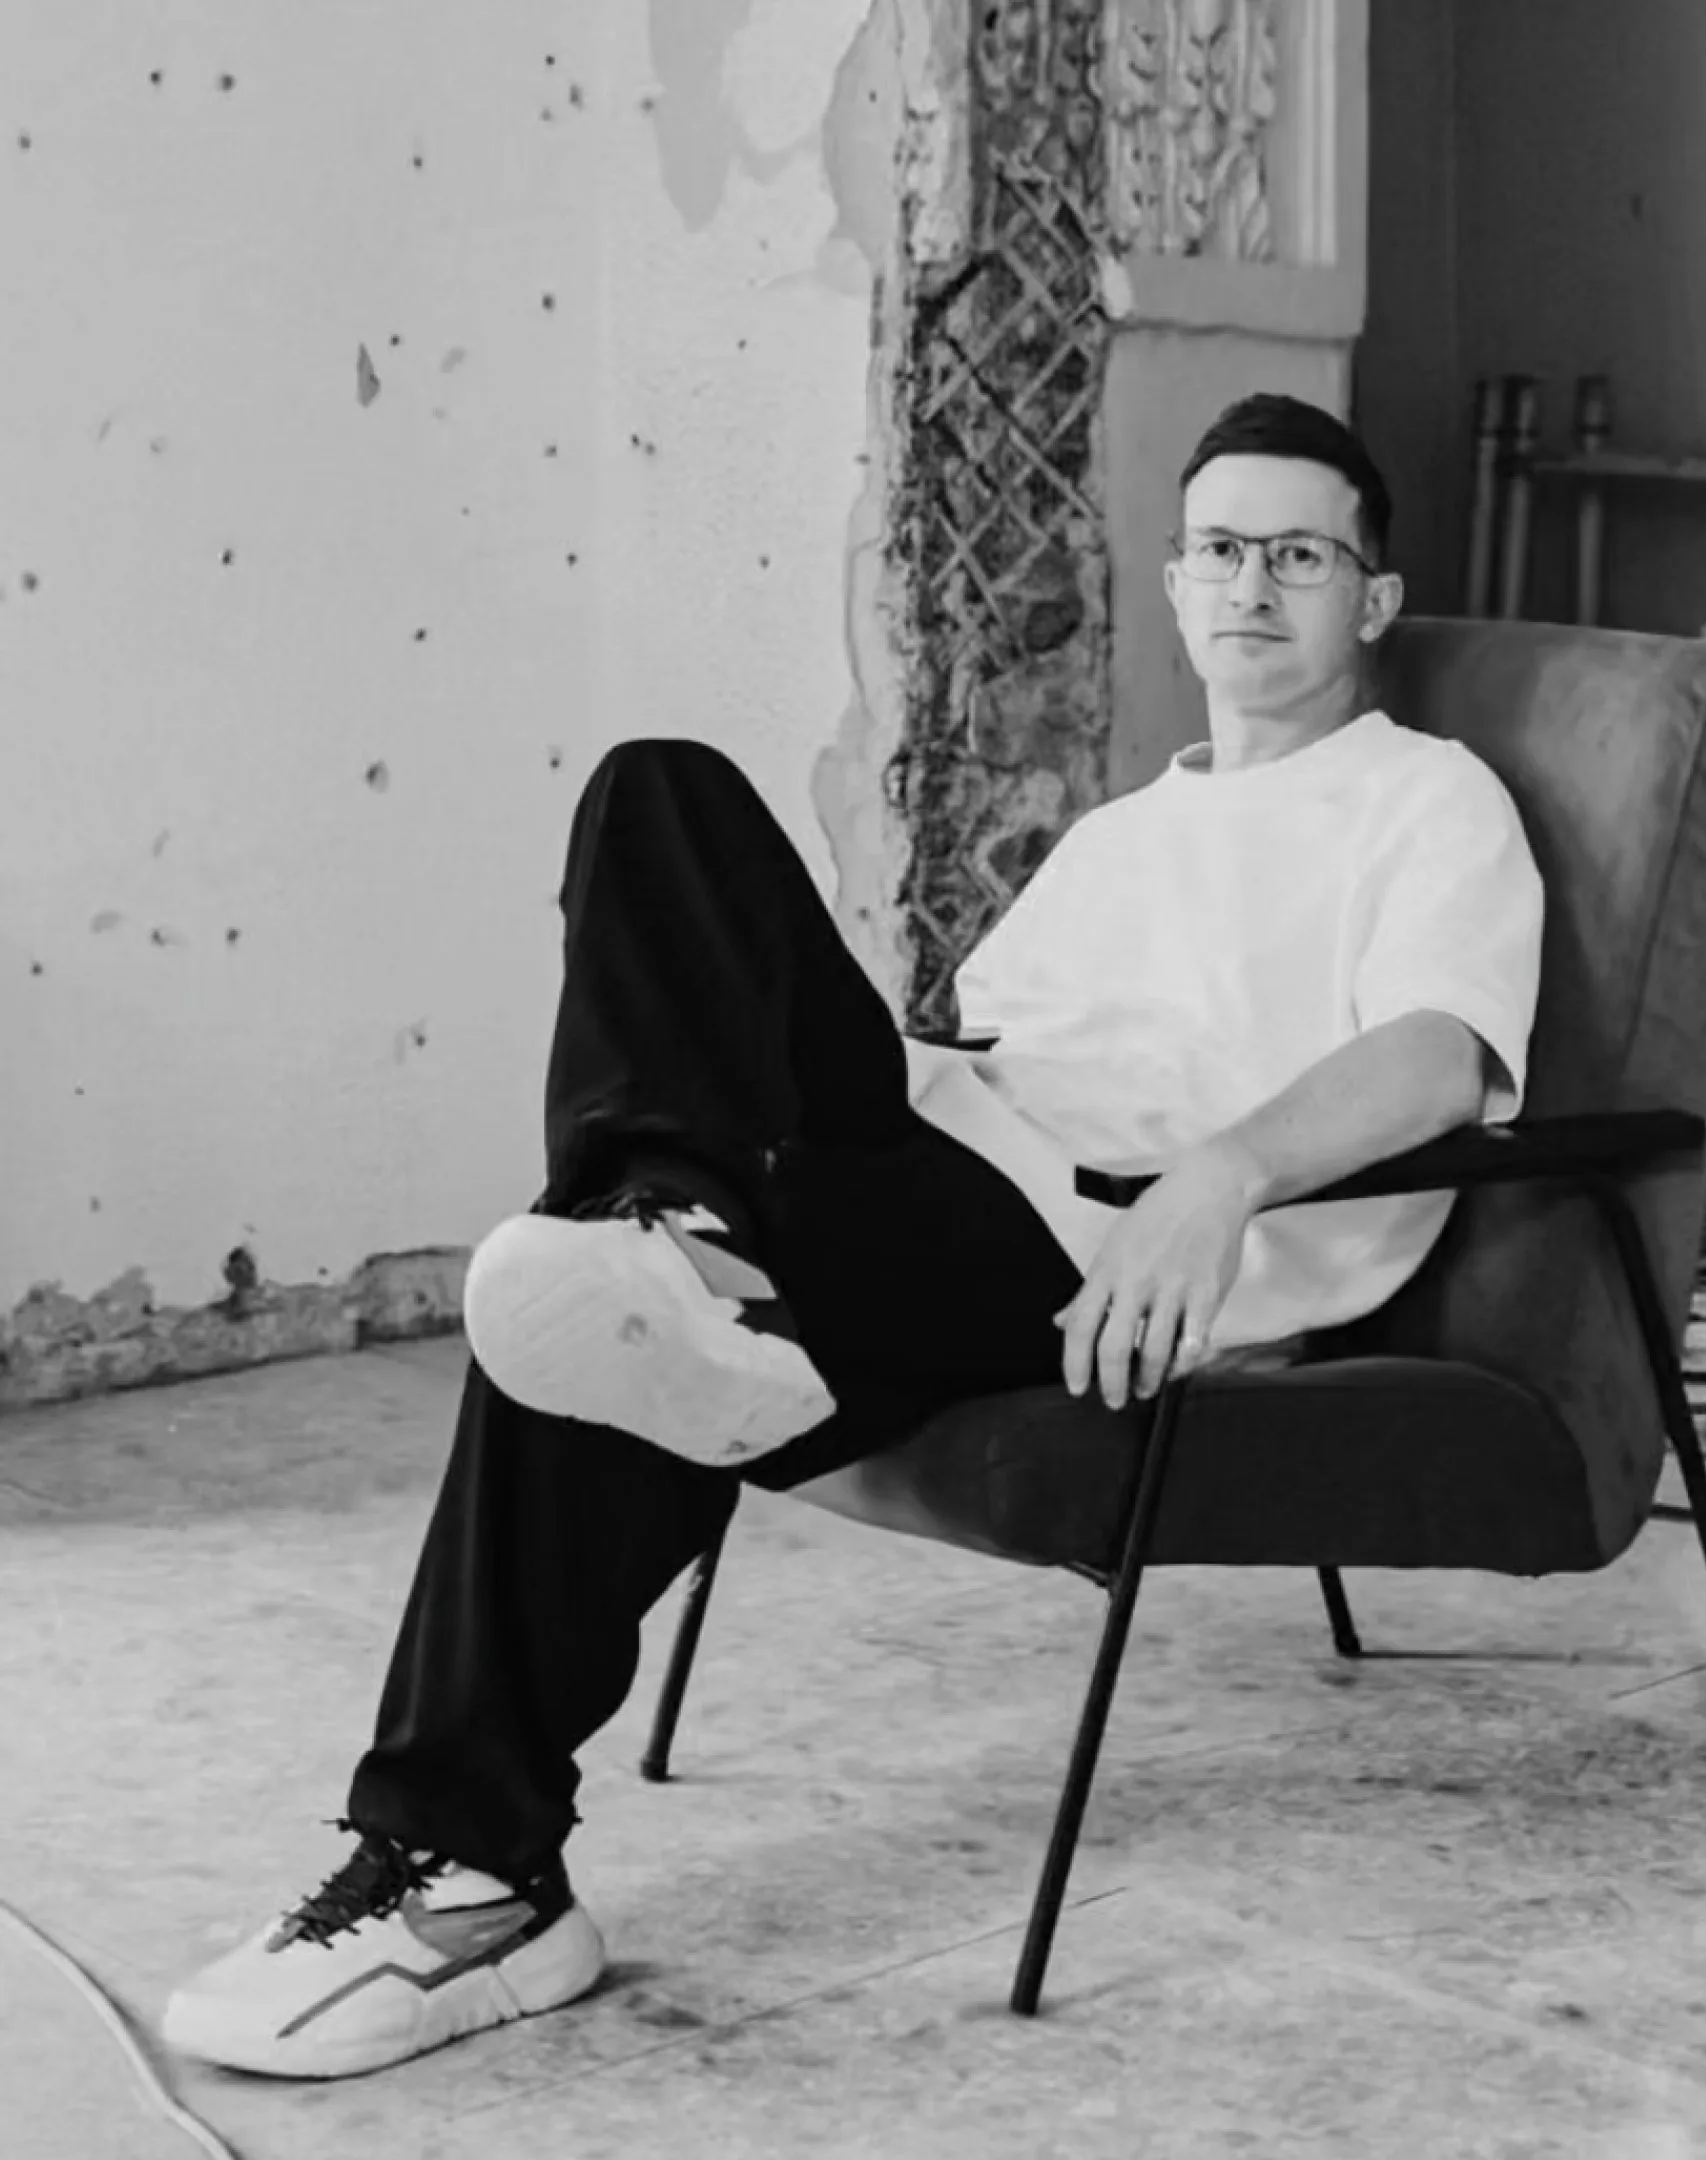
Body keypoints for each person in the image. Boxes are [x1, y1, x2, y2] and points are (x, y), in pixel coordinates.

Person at [161, 393, 1544, 2080]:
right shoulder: (1122, 837)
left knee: (610, 1284)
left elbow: (1444, 1051)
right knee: (658, 804)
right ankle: (677, 1247)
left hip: (1090, 1257)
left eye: (1302, 555)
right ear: (1180, 583)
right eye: (1223, 549)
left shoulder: (1428, 800)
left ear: (1373, 598)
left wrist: (1223, 1174)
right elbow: (978, 1050)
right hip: (955, 1167)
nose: (1255, 584)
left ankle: (464, 1868)